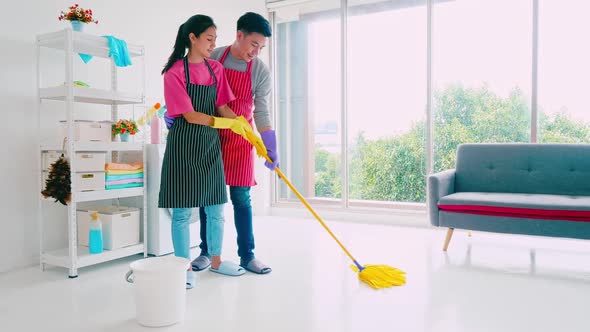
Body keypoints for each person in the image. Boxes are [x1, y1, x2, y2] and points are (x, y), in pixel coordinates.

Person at [165, 12, 278, 275]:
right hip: (208, 136)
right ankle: (206, 253)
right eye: (253, 44)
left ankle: (247, 255)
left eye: (261, 47)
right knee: (209, 196)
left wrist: (269, 144)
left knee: (241, 197)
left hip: (239, 136)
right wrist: (172, 113)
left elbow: (261, 111)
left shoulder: (259, 70)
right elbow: (190, 90)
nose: (256, 52)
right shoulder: (214, 58)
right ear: (240, 35)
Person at [159, 14, 252, 288]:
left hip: (210, 147)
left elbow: (223, 106)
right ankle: (182, 267)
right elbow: (189, 114)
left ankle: (216, 261)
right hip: (184, 147)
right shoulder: (174, 71)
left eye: (214, 39)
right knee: (182, 213)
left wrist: (241, 125)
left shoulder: (216, 70)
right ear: (193, 38)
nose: (213, 44)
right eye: (209, 39)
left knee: (215, 208)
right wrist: (222, 122)